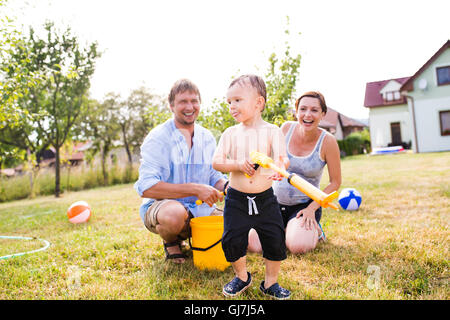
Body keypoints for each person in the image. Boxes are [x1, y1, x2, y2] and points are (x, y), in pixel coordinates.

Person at [212, 74, 291, 299]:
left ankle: (271, 282)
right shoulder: (230, 133)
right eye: (229, 102)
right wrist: (237, 164)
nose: (232, 106)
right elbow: (217, 162)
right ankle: (241, 276)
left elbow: (283, 158)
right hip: (236, 199)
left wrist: (279, 166)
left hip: (265, 198)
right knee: (233, 238)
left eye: (237, 100)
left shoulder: (272, 131)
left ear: (258, 103)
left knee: (274, 237)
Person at [134, 79, 228, 264]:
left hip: (200, 208)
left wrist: (227, 186)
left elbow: (214, 175)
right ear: (171, 105)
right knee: (174, 215)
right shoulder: (158, 138)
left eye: (194, 101)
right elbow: (146, 188)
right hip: (165, 208)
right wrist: (195, 189)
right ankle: (171, 242)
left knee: (237, 227)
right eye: (183, 101)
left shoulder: (207, 137)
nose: (189, 106)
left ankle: (197, 240)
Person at [248, 91, 341, 254]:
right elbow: (271, 159)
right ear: (296, 112)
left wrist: (312, 209)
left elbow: (335, 182)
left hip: (305, 206)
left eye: (314, 110)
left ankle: (313, 230)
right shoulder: (285, 129)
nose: (307, 115)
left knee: (298, 247)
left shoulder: (328, 142)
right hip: (275, 203)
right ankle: (285, 229)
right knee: (255, 245)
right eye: (303, 109)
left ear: (323, 114)